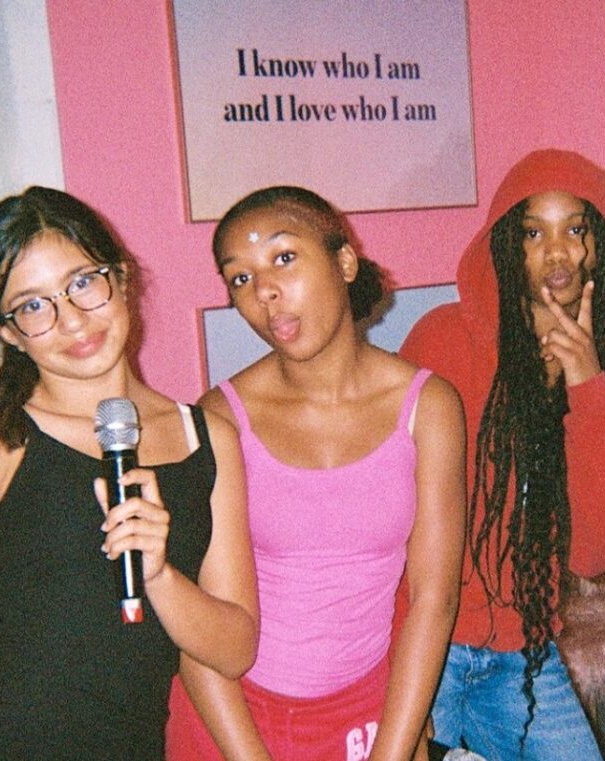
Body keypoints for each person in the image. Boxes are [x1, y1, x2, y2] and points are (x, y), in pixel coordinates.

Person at [0, 186, 259, 761]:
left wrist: (160, 573)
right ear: (7, 332)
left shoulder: (207, 438)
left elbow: (235, 648)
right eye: (34, 306)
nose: (71, 320)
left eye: (82, 283)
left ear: (120, 277)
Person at [165, 186, 466, 761]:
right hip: (231, 720)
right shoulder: (219, 420)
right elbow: (197, 628)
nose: (266, 293)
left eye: (283, 258)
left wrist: (393, 753)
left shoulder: (428, 407)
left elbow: (434, 597)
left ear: (345, 262)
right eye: (240, 279)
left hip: (364, 712)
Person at [398, 149, 605, 760]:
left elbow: (601, 553)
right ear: (504, 247)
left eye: (576, 229)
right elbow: (381, 502)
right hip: (423, 640)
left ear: (600, 245)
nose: (558, 253)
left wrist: (588, 388)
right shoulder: (444, 338)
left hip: (522, 652)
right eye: (533, 232)